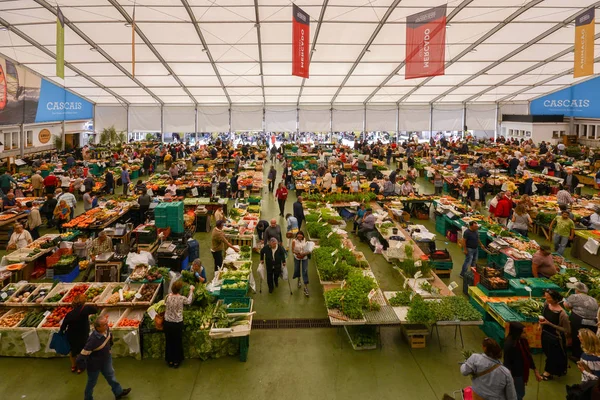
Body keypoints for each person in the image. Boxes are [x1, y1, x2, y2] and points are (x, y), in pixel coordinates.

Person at [77, 317, 131, 400]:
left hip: (106, 360)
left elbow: (109, 338)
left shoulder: (107, 330)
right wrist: (82, 367)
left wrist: (109, 348)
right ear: (98, 328)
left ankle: (118, 392)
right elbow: (82, 356)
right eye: (104, 324)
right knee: (92, 382)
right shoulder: (92, 340)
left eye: (107, 323)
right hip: (94, 364)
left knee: (111, 376)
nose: (107, 325)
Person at [60, 294, 99, 373]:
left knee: (73, 351)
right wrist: (93, 302)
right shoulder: (86, 309)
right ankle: (80, 368)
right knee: (83, 351)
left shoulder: (69, 314)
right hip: (83, 334)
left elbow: (63, 326)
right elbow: (95, 310)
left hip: (71, 335)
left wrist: (61, 333)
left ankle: (73, 366)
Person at [504, 322, 542, 400]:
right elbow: (507, 363)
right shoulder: (509, 345)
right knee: (517, 394)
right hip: (515, 374)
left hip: (521, 372)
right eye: (523, 332)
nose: (526, 334)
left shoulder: (522, 341)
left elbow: (528, 355)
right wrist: (510, 378)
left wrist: (535, 371)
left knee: (520, 392)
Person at [540, 289, 570, 380]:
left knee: (552, 355)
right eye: (545, 296)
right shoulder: (546, 304)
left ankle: (547, 374)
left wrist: (549, 324)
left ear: (555, 299)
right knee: (548, 353)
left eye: (548, 298)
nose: (546, 299)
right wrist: (540, 324)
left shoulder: (562, 314)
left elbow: (566, 330)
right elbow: (543, 316)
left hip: (555, 338)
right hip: (545, 334)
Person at [565, 282, 599, 361]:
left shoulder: (574, 296)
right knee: (589, 338)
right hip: (593, 322)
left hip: (579, 320)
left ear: (577, 290)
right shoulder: (593, 299)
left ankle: (576, 356)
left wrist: (566, 304)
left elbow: (567, 305)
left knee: (577, 337)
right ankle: (590, 354)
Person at [164, 280, 194, 368]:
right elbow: (189, 301)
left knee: (169, 341)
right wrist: (191, 290)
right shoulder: (181, 298)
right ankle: (176, 361)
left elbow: (165, 303)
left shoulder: (167, 297)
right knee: (177, 342)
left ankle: (170, 360)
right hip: (177, 323)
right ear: (180, 290)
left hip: (168, 323)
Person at [292, 231, 310, 296]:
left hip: (304, 257)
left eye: (301, 235)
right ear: (296, 236)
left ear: (303, 236)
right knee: (297, 269)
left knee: (305, 271)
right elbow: (293, 250)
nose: (299, 236)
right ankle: (299, 279)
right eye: (298, 235)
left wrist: (304, 254)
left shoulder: (305, 240)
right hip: (297, 257)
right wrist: (298, 254)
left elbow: (309, 249)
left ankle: (306, 287)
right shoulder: (294, 241)